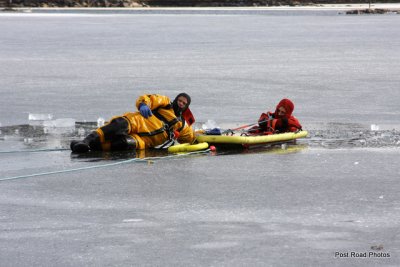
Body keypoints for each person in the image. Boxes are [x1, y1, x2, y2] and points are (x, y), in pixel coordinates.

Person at [70, 93, 196, 153]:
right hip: (139, 121)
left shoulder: (182, 124)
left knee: (124, 143)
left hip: (145, 140)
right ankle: (85, 141)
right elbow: (149, 98)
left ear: (186, 107)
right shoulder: (165, 102)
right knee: (118, 125)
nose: (181, 104)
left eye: (184, 103)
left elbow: (191, 138)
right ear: (176, 99)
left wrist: (207, 135)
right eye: (180, 100)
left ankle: (89, 147)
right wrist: (143, 104)